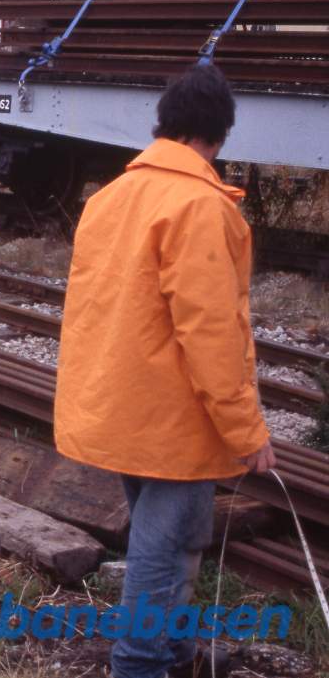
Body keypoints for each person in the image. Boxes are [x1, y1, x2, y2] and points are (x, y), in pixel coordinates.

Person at [54, 62, 273, 678]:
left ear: (165, 123)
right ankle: (139, 663)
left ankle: (174, 649)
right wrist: (247, 431)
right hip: (174, 416)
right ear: (219, 134)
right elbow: (212, 333)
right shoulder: (200, 207)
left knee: (173, 537)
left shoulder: (111, 196)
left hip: (119, 402)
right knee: (160, 545)